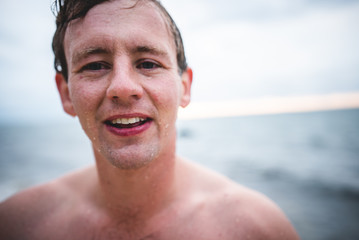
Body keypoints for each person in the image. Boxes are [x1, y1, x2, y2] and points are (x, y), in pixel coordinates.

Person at [0, 0, 299, 239]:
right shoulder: (17, 224)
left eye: (147, 63)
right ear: (66, 94)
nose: (123, 87)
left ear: (185, 87)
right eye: (95, 65)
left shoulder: (257, 228)